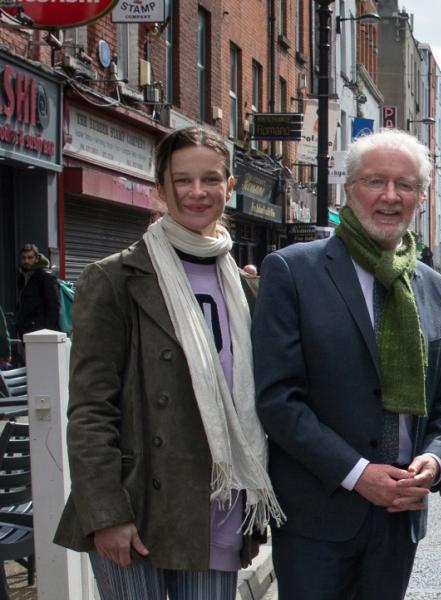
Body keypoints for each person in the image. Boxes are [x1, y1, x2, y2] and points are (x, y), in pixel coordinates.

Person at [54, 126, 282, 599]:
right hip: (136, 506)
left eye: (211, 179)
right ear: (159, 188)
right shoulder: (114, 279)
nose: (197, 192)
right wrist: (106, 513)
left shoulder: (247, 289)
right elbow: (91, 410)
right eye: (182, 180)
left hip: (217, 506)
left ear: (230, 188)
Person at [253, 129, 441, 599]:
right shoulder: (292, 271)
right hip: (319, 514)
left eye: (405, 185)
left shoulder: (434, 288)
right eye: (375, 181)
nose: (390, 197)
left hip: (400, 515)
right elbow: (278, 400)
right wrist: (358, 473)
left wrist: (433, 460)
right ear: (348, 190)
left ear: (421, 196)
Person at [14, 243, 60, 337]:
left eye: (30, 257)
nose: (26, 261)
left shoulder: (46, 276)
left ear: (36, 258)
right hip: (25, 330)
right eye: (23, 258)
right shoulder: (21, 277)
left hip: (41, 331)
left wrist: (47, 330)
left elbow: (53, 306)